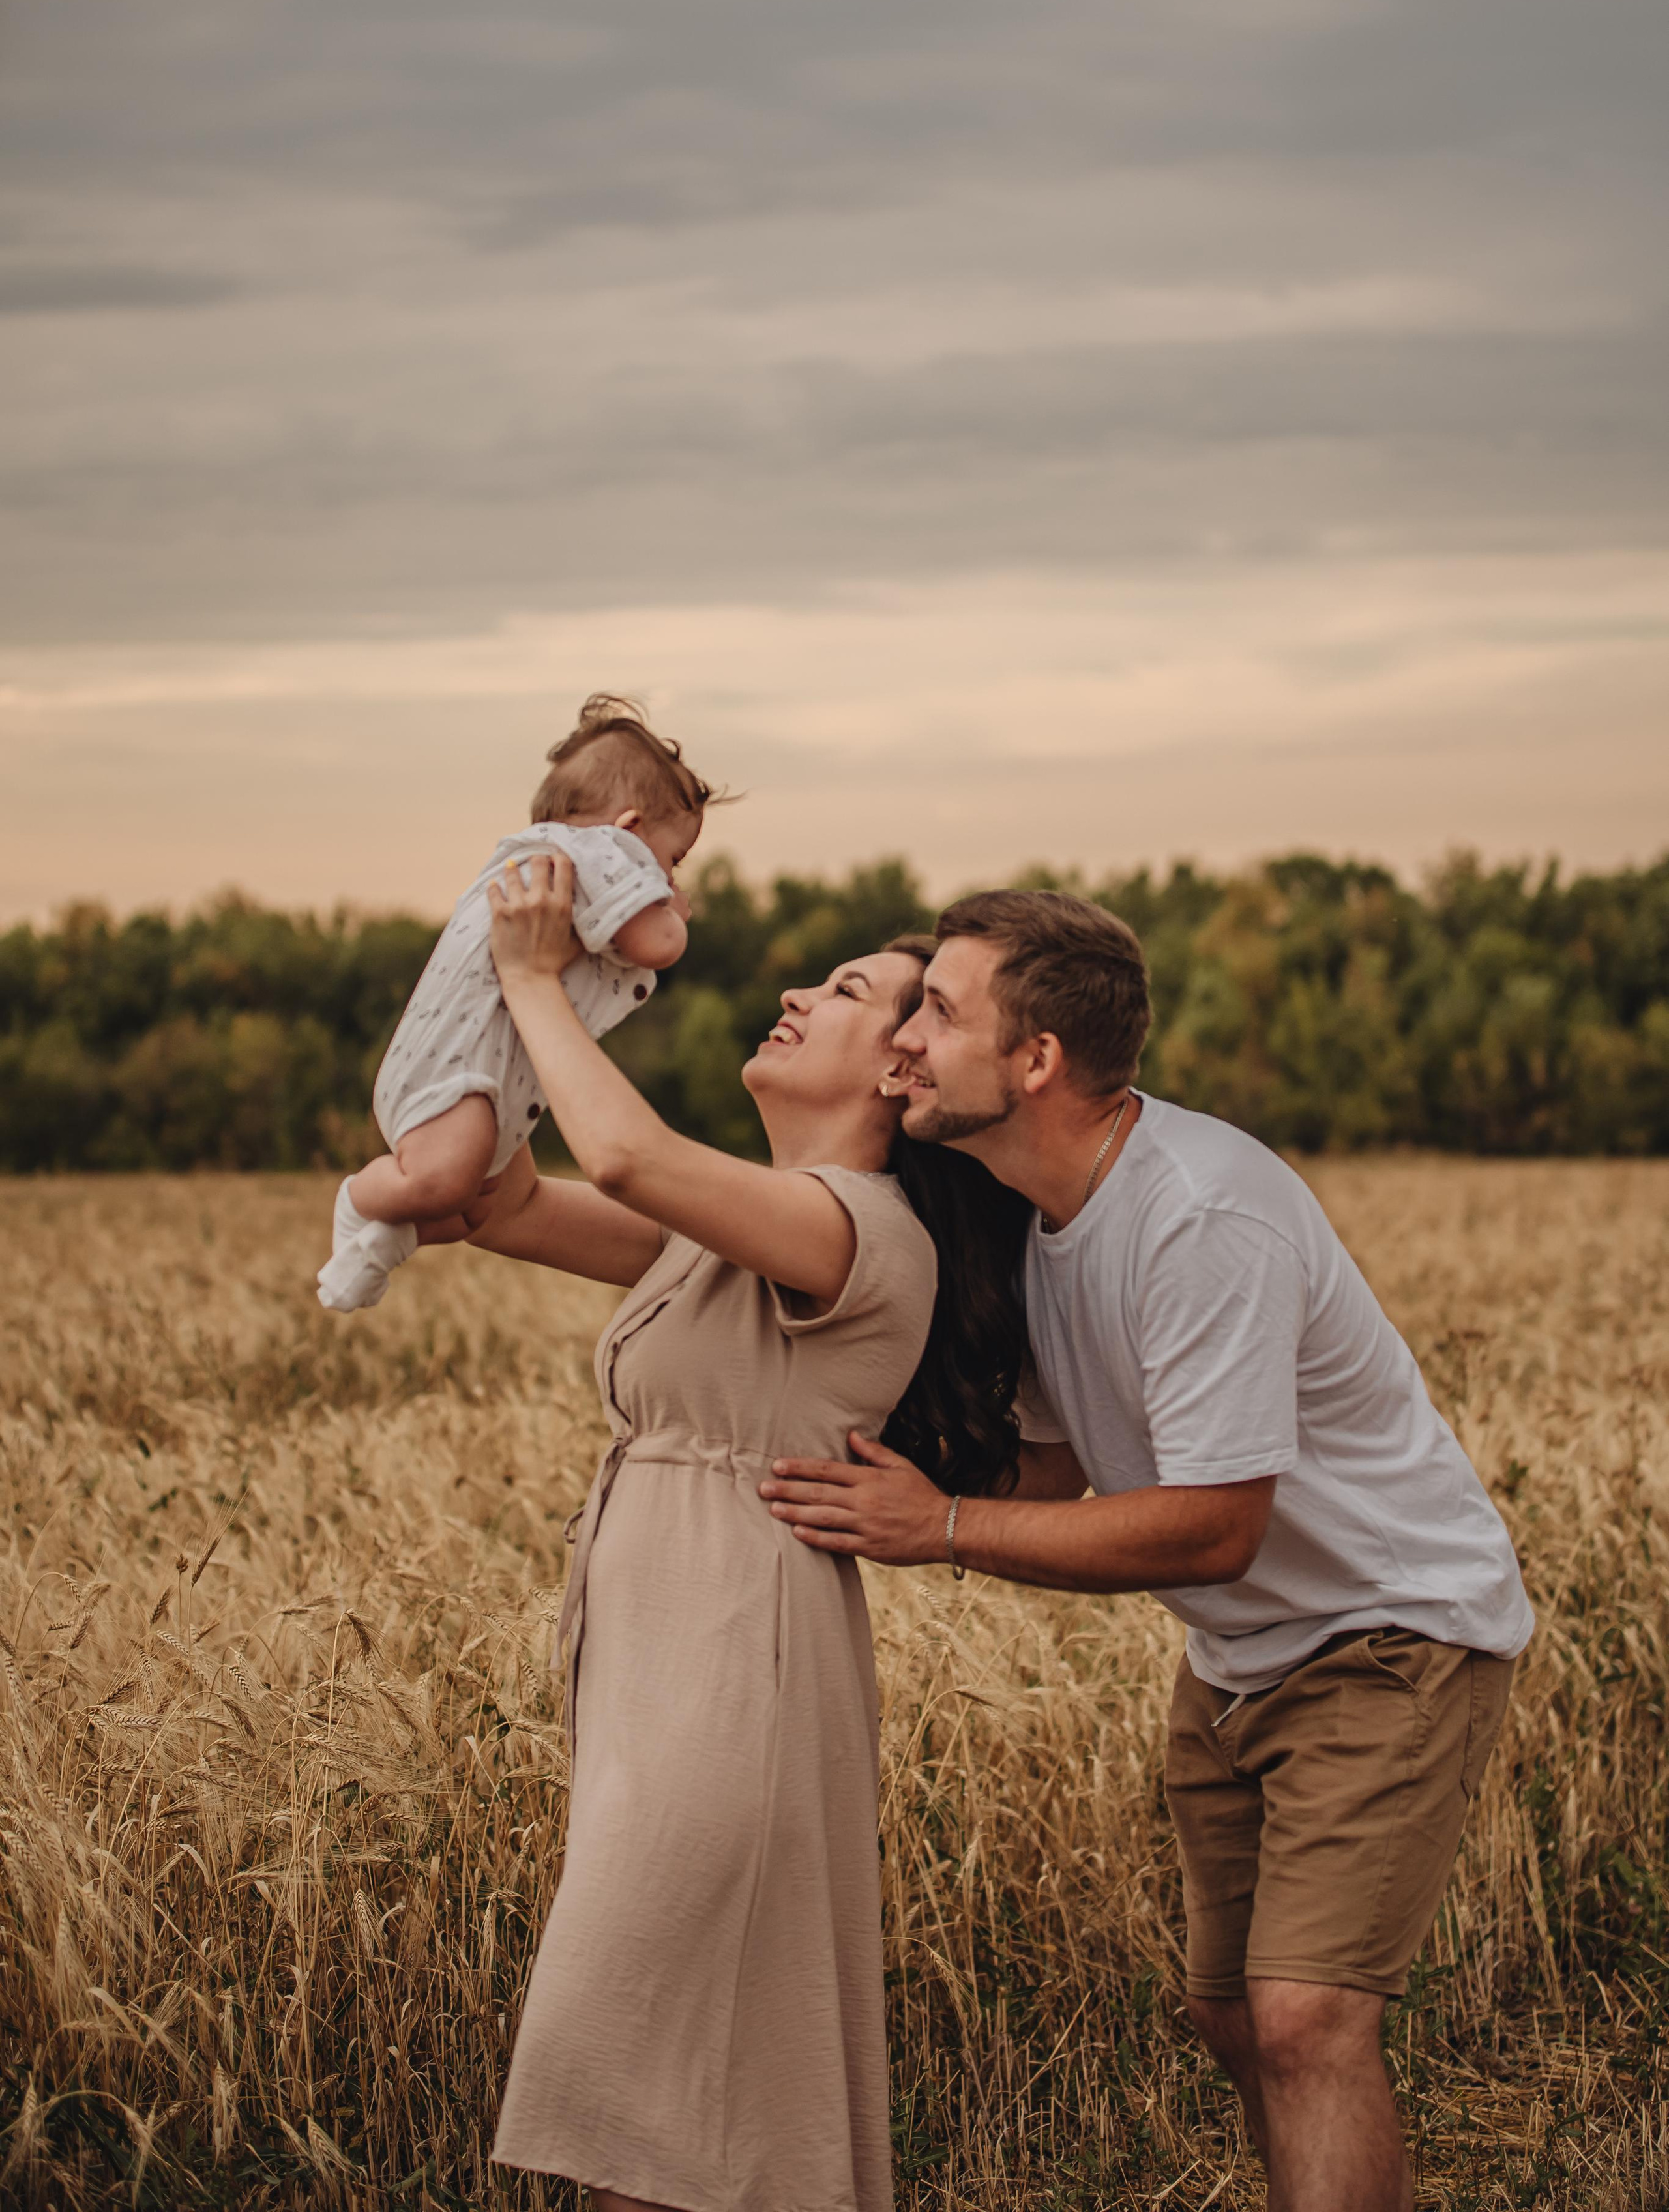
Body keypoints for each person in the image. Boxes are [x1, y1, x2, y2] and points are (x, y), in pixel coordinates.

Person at [761, 887, 1534, 2212]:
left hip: (1385, 1632)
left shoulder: (1195, 1216)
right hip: (1240, 1660)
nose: (904, 1042)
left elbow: (1214, 1523)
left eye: (938, 1013)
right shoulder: (1048, 1211)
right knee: (1233, 2021)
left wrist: (939, 1529)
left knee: (1303, 2020)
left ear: (1035, 1061)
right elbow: (1076, 1455)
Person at [413, 858, 1030, 2212]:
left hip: (730, 1673)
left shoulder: (856, 1232)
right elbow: (504, 1204)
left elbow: (624, 1152)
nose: (796, 996)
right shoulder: (727, 1232)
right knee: (671, 2100)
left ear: (896, 1074)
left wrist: (530, 982)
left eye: (849, 993)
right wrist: (485, 995)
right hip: (661, 1663)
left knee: (645, 2087)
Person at [318, 696, 708, 1311]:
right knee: (444, 1181)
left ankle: (378, 1243)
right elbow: (655, 944)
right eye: (673, 860)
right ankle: (360, 1201)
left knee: (471, 1209)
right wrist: (678, 916)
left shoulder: (545, 859)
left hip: (465, 1072)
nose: (669, 879)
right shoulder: (598, 854)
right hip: (455, 1071)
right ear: (629, 829)